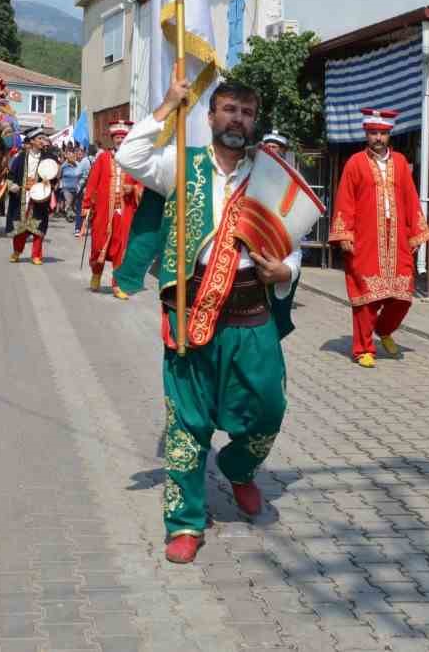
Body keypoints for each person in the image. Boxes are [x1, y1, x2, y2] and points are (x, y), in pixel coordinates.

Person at [115, 79, 300, 565]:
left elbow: (292, 238)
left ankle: (239, 468)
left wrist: (287, 270)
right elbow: (130, 157)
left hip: (252, 313)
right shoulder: (182, 164)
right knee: (187, 425)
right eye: (228, 110)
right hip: (192, 313)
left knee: (269, 409)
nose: (237, 119)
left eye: (246, 112)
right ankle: (185, 522)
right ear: (211, 117)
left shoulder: (269, 173)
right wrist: (167, 106)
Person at [328, 108, 429, 369]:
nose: (378, 138)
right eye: (373, 133)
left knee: (403, 295)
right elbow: (345, 201)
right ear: (366, 134)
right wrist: (344, 234)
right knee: (367, 296)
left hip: (397, 238)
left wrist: (417, 232)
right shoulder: (354, 163)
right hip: (366, 238)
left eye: (383, 134)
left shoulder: (399, 162)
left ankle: (384, 330)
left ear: (389, 135)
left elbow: (410, 198)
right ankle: (363, 348)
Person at [82, 120, 143, 299]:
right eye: (117, 137)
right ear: (112, 139)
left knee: (122, 247)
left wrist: (133, 189)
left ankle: (118, 284)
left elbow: (142, 183)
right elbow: (92, 182)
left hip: (125, 211)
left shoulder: (135, 160)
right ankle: (96, 273)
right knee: (98, 243)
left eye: (123, 137)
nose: (120, 140)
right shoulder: (103, 158)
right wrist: (86, 205)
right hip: (103, 209)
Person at [6, 133, 58, 264]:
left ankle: (36, 255)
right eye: (39, 139)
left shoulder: (48, 158)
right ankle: (17, 252)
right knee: (20, 227)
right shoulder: (21, 157)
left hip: (40, 195)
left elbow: (54, 176)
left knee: (38, 226)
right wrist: (12, 185)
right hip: (22, 195)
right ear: (32, 141)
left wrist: (49, 185)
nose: (42, 141)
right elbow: (11, 174)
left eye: (43, 139)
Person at [72, 146, 94, 237]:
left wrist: (76, 164)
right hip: (93, 188)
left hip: (83, 187)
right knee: (91, 208)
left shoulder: (85, 161)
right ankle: (90, 228)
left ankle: (78, 228)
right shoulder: (96, 160)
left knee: (80, 208)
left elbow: (76, 173)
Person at [57, 151, 79, 219]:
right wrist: (58, 183)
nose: (72, 158)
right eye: (70, 156)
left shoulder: (77, 165)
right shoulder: (64, 165)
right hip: (66, 187)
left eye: (73, 156)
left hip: (75, 187)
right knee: (69, 202)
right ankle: (68, 214)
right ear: (67, 157)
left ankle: (70, 214)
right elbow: (58, 176)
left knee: (72, 204)